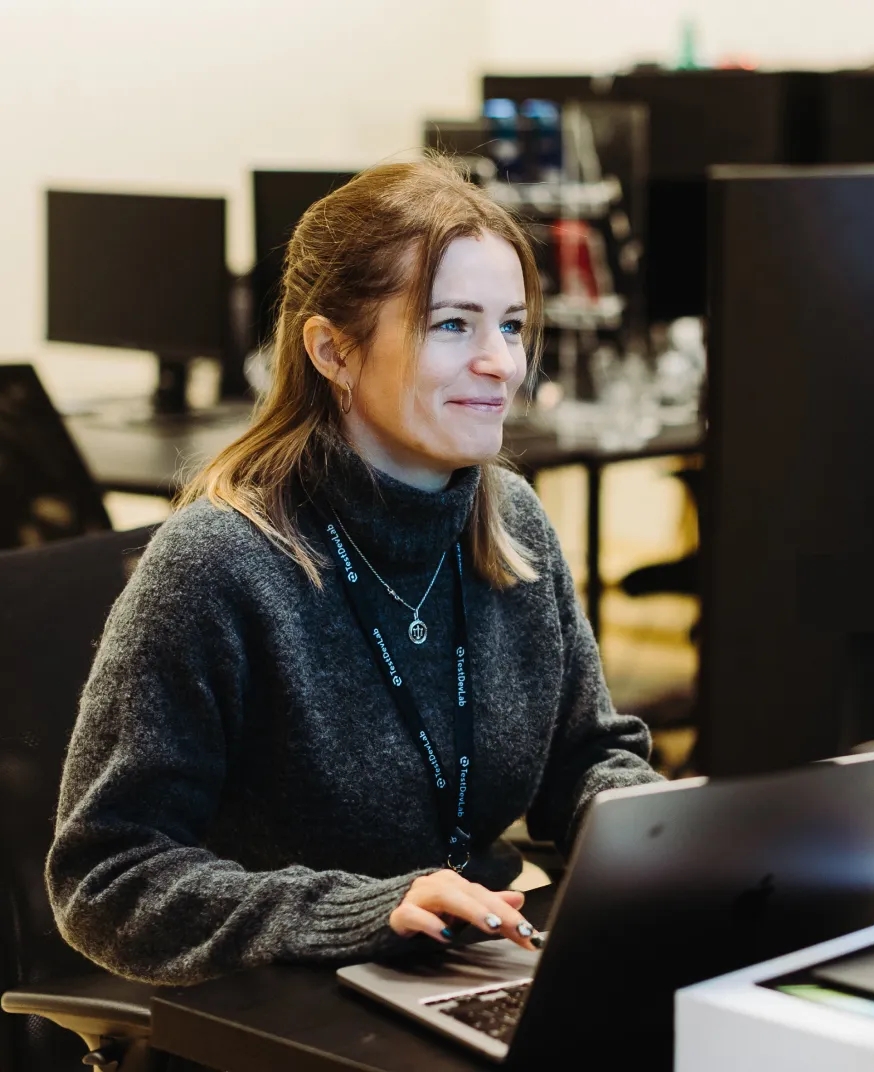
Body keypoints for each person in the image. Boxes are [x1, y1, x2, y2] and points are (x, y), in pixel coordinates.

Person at [46, 158, 662, 986]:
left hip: (470, 967)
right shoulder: (219, 565)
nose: (502, 364)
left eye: (511, 326)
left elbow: (582, 757)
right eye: (453, 325)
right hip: (283, 1009)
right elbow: (106, 880)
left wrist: (664, 829)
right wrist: (357, 913)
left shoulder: (511, 523)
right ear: (334, 350)